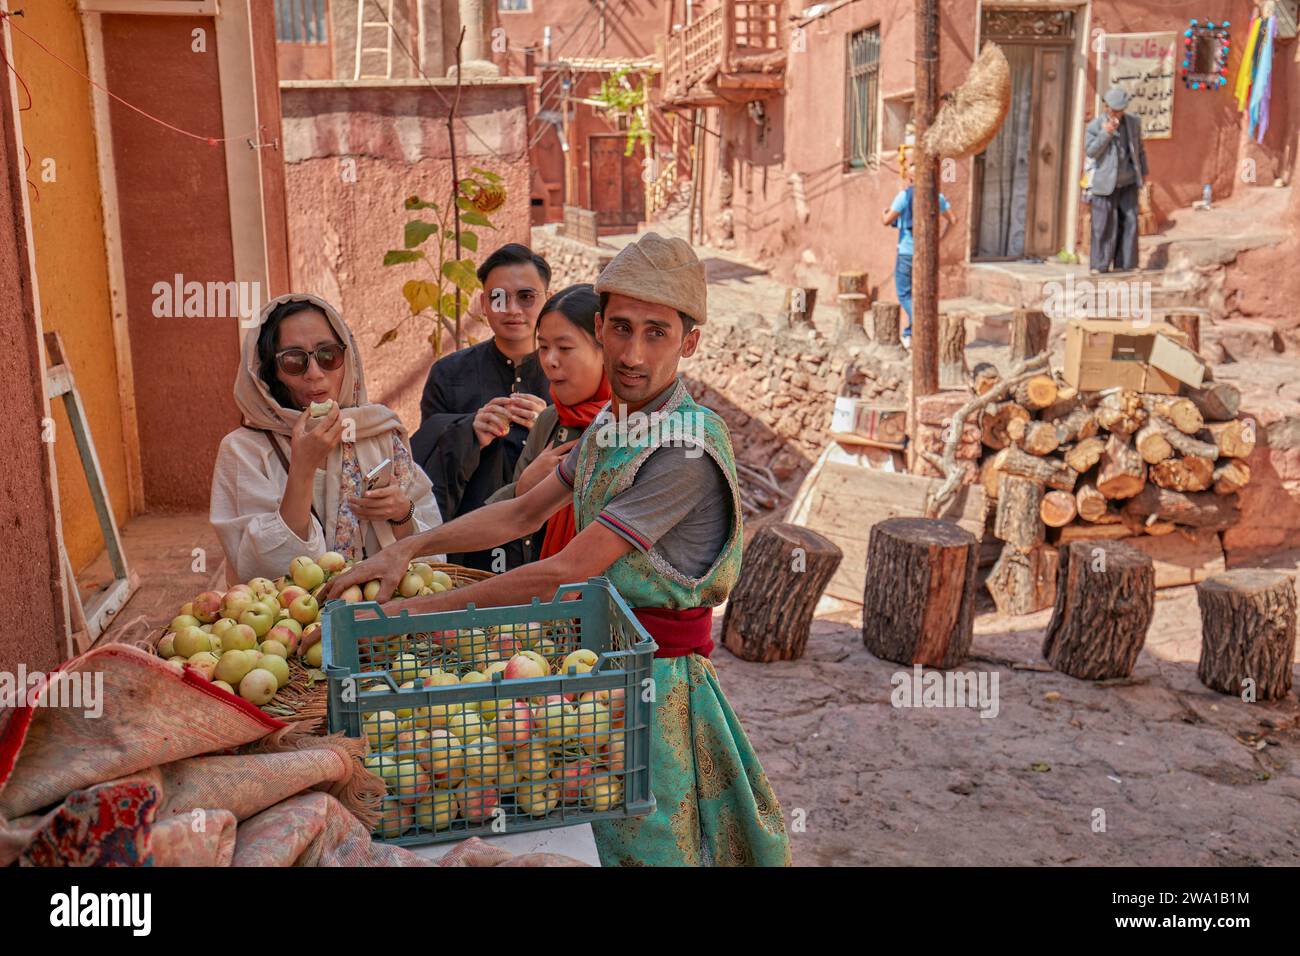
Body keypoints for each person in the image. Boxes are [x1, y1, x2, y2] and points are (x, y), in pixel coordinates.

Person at [328, 233, 792, 867]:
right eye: (621, 328)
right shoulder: (617, 423)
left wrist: (406, 617)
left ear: (690, 342)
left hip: (655, 688)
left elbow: (565, 571)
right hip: (593, 673)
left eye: (657, 333)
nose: (632, 352)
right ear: (600, 327)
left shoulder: (683, 449)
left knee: (651, 844)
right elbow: (521, 510)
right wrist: (409, 552)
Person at [211, 293, 443, 584]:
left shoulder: (378, 431)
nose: (314, 373)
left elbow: (433, 558)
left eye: (328, 355)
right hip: (292, 624)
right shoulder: (244, 450)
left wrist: (401, 513)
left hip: (381, 618)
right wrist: (302, 469)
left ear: (348, 359)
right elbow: (260, 570)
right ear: (270, 372)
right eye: (294, 361)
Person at [410, 243, 552, 573]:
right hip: (470, 548)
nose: (513, 309)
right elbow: (424, 468)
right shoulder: (449, 374)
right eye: (499, 298)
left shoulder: (571, 376)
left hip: (550, 548)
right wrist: (467, 431)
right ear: (484, 304)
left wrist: (551, 425)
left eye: (527, 297)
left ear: (548, 300)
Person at [484, 283, 612, 563]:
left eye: (565, 348)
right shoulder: (550, 421)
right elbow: (511, 521)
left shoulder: (631, 428)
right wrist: (522, 489)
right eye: (543, 347)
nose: (550, 361)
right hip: (543, 596)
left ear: (606, 351)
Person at [882, 158, 956, 345]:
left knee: (905, 294)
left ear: (910, 178)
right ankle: (909, 333)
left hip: (907, 253)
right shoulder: (937, 197)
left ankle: (920, 326)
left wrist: (883, 214)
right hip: (928, 254)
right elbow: (953, 220)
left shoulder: (904, 196)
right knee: (922, 293)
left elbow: (886, 220)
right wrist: (940, 239)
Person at [1085, 86, 1149, 274]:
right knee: (1103, 225)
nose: (1117, 114)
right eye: (1113, 110)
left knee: (1129, 222)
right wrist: (1106, 133)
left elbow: (1140, 149)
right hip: (1105, 183)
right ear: (1106, 107)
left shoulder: (1133, 123)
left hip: (1128, 180)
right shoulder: (1095, 126)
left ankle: (1126, 263)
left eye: (1120, 110)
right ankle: (1100, 264)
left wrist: (1143, 174)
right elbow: (1091, 151)